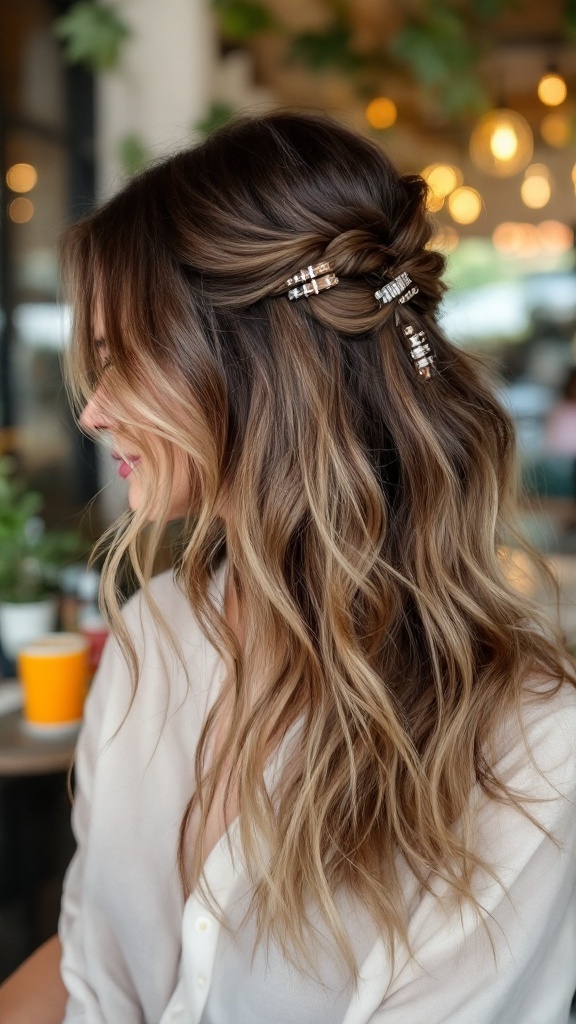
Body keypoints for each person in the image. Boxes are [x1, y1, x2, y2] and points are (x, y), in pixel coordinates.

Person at [1, 111, 575, 1024]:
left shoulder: (526, 747)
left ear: (257, 367)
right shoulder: (156, 634)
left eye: (123, 363)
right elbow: (92, 963)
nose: (92, 413)